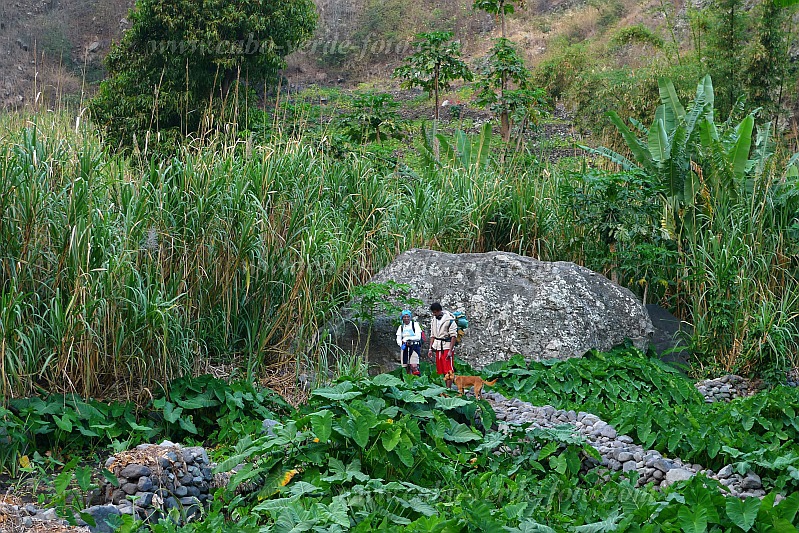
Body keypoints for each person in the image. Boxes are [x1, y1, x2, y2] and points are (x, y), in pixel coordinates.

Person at [427, 302, 457, 390]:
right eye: (433, 313)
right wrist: (430, 348)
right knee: (443, 369)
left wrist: (450, 351)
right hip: (438, 347)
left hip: (447, 346)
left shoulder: (450, 320)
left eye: (435, 312)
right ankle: (447, 388)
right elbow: (432, 335)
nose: (434, 314)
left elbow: (453, 336)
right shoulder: (434, 320)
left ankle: (449, 389)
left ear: (439, 311)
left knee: (449, 369)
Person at [396, 310, 422, 375]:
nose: (406, 318)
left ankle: (417, 379)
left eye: (408, 317)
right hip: (404, 347)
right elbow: (398, 338)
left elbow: (418, 337)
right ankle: (408, 381)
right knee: (406, 366)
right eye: (404, 317)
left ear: (410, 317)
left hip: (414, 346)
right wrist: (401, 344)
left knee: (414, 365)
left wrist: (407, 339)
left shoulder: (415, 325)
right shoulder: (401, 327)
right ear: (402, 318)